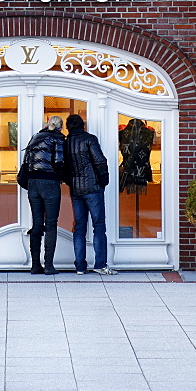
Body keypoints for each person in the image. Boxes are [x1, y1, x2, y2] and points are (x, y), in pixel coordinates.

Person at [64, 113, 116, 275]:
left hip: (76, 190)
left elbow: (62, 167)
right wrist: (103, 181)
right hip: (93, 188)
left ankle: (80, 266)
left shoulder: (65, 143)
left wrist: (70, 181)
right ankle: (100, 264)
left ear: (68, 127)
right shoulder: (89, 139)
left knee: (79, 227)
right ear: (82, 126)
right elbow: (100, 161)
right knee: (98, 226)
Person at [22, 115, 66, 275]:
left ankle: (35, 265)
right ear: (61, 127)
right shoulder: (58, 139)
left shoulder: (35, 138)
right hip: (50, 183)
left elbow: (26, 162)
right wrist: (64, 177)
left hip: (33, 183)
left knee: (37, 224)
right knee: (51, 224)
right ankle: (48, 265)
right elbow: (59, 162)